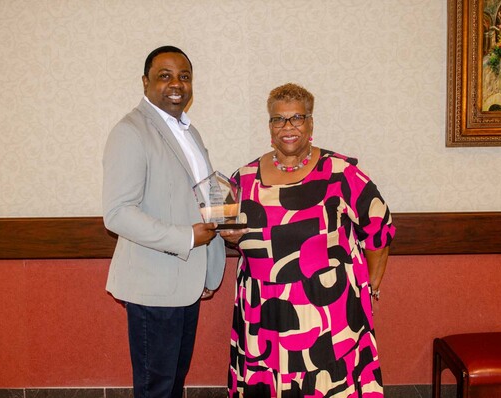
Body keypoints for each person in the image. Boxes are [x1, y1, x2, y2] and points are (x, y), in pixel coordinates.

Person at [221, 83, 395, 397]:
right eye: (278, 120)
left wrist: (370, 286)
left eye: (297, 118)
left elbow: (379, 229)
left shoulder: (340, 173)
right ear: (270, 127)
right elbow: (230, 231)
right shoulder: (242, 178)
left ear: (311, 123)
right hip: (263, 316)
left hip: (329, 316)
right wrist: (230, 237)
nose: (288, 127)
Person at [102, 45, 226, 398]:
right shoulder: (130, 131)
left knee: (173, 385)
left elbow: (200, 197)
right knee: (156, 389)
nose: (177, 84)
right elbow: (117, 213)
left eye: (184, 77)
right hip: (153, 284)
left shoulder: (189, 132)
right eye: (165, 75)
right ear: (145, 82)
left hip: (186, 281)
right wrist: (186, 238)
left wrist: (223, 228)